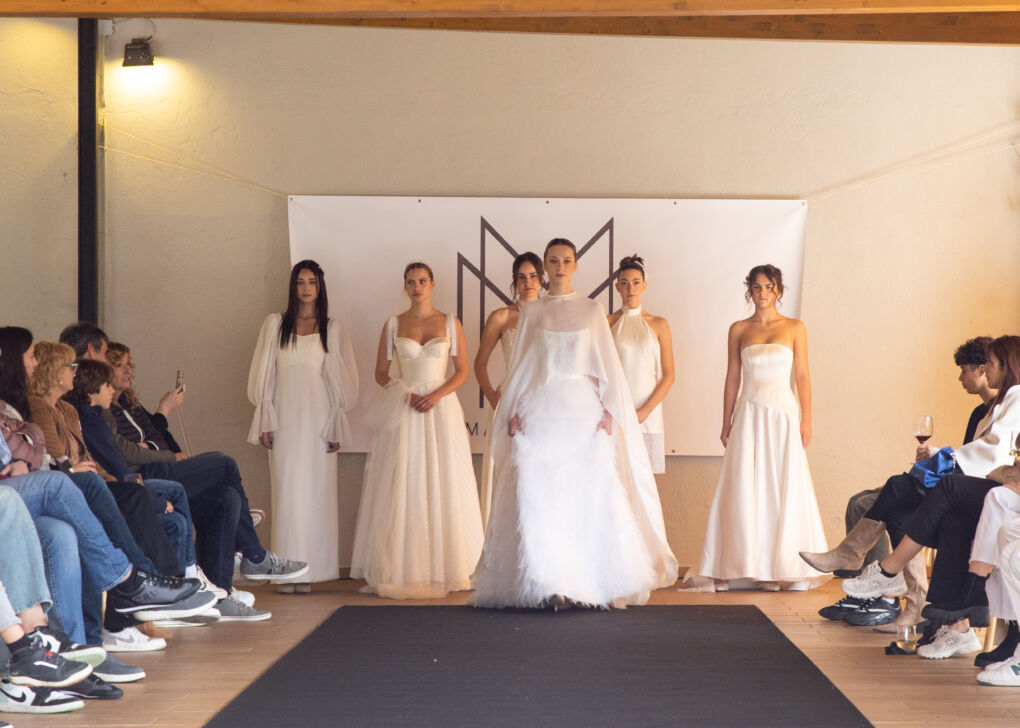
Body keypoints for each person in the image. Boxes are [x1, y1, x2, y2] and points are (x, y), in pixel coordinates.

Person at [471, 239, 678, 610]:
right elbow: (521, 368)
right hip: (541, 412)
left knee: (584, 496)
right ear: (545, 266)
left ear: (576, 265)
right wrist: (512, 410)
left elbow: (606, 366)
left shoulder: (592, 310)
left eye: (566, 260)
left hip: (583, 414)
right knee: (542, 496)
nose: (560, 267)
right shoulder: (532, 312)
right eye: (553, 261)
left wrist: (610, 410)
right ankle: (553, 584)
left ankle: (586, 582)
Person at [815, 336, 1020, 658]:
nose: (985, 369)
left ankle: (886, 571)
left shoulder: (1016, 397)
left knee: (912, 487)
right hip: (988, 490)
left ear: (1006, 367)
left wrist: (942, 458)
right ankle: (951, 625)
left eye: (990, 364)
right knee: (938, 517)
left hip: (1001, 493)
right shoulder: (997, 405)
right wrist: (943, 459)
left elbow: (994, 453)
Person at [687, 264, 827, 591]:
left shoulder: (795, 327)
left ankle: (775, 570)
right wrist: (726, 420)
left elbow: (802, 375)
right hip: (749, 412)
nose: (762, 293)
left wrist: (807, 419)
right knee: (741, 483)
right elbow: (732, 377)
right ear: (749, 290)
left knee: (779, 484)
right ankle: (729, 565)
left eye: (768, 287)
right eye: (756, 287)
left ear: (778, 290)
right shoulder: (738, 329)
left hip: (782, 414)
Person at [350, 262, 484, 598]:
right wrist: (404, 393)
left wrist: (436, 395)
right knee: (405, 481)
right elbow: (381, 373)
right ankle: (403, 568)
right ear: (405, 286)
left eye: (422, 281)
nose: (417, 287)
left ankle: (448, 567)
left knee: (445, 478)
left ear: (432, 284)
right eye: (411, 282)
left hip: (441, 408)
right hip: (406, 406)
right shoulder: (393, 324)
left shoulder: (450, 322)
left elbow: (462, 372)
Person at [248, 259, 359, 590]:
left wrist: (336, 424)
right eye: (300, 281)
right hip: (284, 418)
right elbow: (265, 374)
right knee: (288, 492)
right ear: (293, 286)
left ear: (320, 286)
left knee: (317, 493)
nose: (306, 288)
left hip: (319, 421)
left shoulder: (332, 328)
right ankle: (287, 572)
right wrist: (266, 419)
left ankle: (313, 571)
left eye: (311, 281)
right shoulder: (275, 325)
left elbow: (339, 381)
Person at [473, 251, 543, 529]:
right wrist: (493, 397)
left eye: (533, 276)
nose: (528, 283)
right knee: (509, 472)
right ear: (515, 281)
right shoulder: (501, 317)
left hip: (545, 402)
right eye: (522, 277)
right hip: (510, 401)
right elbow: (480, 363)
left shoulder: (552, 313)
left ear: (542, 279)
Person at [608, 254, 674, 475]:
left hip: (648, 414)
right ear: (617, 287)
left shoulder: (659, 324)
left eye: (636, 282)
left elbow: (669, 375)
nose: (631, 288)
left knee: (645, 480)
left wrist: (644, 411)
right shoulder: (607, 323)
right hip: (616, 412)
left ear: (644, 286)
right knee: (617, 479)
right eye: (625, 283)